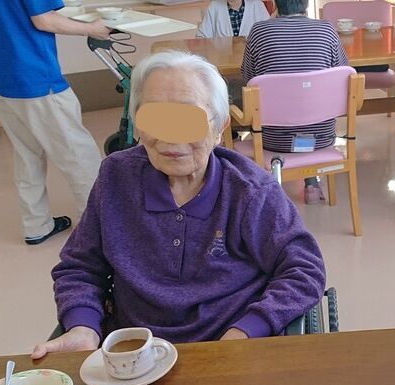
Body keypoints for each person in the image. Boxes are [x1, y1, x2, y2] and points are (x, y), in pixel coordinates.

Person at [31, 51, 326, 359]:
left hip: (229, 347)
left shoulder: (250, 191)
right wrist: (83, 327)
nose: (170, 138)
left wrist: (246, 331)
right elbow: (80, 265)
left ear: (220, 127)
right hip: (134, 354)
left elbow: (304, 269)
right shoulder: (116, 177)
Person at [0, 0, 110, 245]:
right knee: (78, 154)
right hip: (34, 76)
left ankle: (36, 225)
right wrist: (93, 29)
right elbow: (44, 20)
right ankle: (97, 231)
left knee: (26, 153)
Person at [241, 0, 349, 205]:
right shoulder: (327, 30)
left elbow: (249, 80)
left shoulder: (259, 31)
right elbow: (342, 77)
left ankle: (265, 188)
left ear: (275, 3)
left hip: (274, 141)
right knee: (306, 105)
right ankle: (312, 184)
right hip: (321, 138)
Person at [196, 0, 270, 39]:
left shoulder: (257, 5)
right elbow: (201, 36)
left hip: (252, 58)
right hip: (223, 58)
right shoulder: (214, 7)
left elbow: (269, 34)